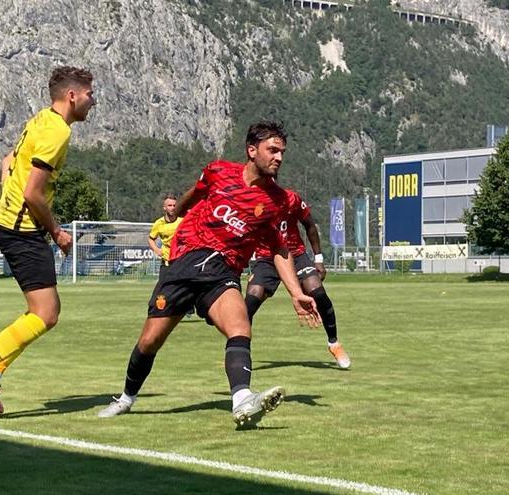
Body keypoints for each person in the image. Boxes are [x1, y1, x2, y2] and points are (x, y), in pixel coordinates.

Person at [97, 121, 320, 427]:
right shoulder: (218, 172)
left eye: (282, 152)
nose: (278, 157)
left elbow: (280, 250)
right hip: (186, 262)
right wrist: (180, 216)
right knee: (150, 341)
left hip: (222, 270)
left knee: (240, 326)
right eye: (272, 150)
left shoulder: (276, 201)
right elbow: (192, 196)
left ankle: (242, 401)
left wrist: (296, 293)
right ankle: (126, 398)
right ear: (252, 151)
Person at [0, 66, 96, 413]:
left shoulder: (40, 120)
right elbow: (33, 193)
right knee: (46, 314)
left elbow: (7, 162)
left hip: (11, 224)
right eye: (90, 94)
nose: (94, 101)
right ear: (72, 96)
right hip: (23, 230)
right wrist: (57, 232)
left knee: (41, 313)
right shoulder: (57, 132)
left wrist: (3, 208)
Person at [246, 188, 351, 369]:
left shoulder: (291, 199)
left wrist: (318, 259)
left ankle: (334, 343)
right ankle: (239, 351)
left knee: (317, 292)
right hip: (266, 257)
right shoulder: (250, 202)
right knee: (251, 299)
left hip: (296, 254)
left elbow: (309, 225)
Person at [148, 194, 183, 277]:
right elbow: (151, 239)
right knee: (161, 289)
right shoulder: (159, 223)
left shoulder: (182, 221)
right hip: (167, 263)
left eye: (174, 205)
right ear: (164, 208)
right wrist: (156, 249)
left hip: (181, 262)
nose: (172, 208)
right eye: (170, 205)